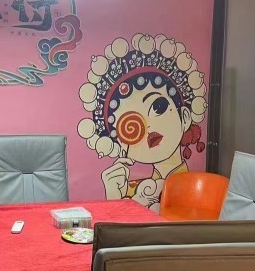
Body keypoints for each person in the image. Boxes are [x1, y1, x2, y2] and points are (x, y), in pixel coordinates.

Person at [77, 34, 207, 210]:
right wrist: (114, 197)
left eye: (158, 107)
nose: (148, 127)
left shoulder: (198, 190)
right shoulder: (130, 191)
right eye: (130, 126)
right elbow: (119, 227)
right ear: (121, 143)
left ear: (184, 117)